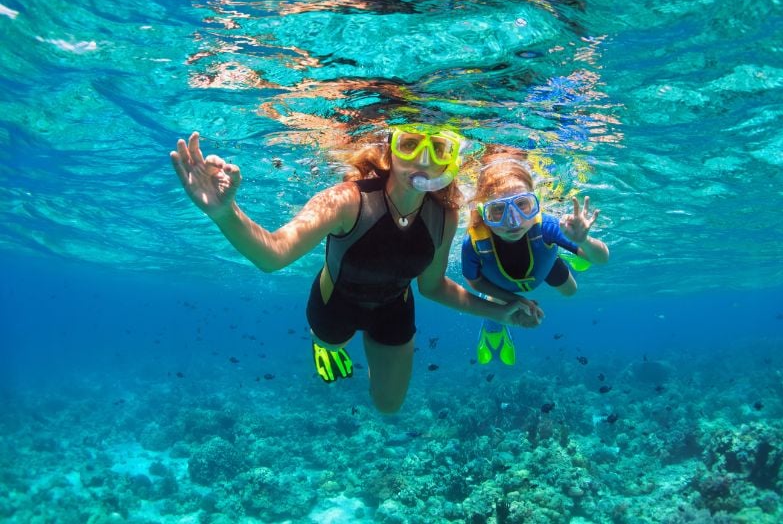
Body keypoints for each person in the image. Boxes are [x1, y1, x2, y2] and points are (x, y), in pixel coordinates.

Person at [170, 127, 538, 413]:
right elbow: (274, 255)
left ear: (449, 161)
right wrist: (224, 213)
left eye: (438, 149)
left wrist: (501, 311)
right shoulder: (347, 199)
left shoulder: (445, 215)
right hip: (336, 303)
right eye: (410, 145)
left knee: (389, 406)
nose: (423, 160)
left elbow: (433, 287)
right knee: (331, 343)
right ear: (391, 150)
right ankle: (324, 345)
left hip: (395, 307)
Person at [462, 151, 610, 366]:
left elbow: (602, 259)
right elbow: (474, 281)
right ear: (483, 212)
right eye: (498, 210)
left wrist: (584, 241)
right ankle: (493, 330)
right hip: (499, 284)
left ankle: (565, 251)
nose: (513, 222)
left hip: (544, 264)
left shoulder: (548, 226)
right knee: (496, 305)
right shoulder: (474, 242)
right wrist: (515, 300)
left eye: (522, 205)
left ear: (536, 203)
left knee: (571, 291)